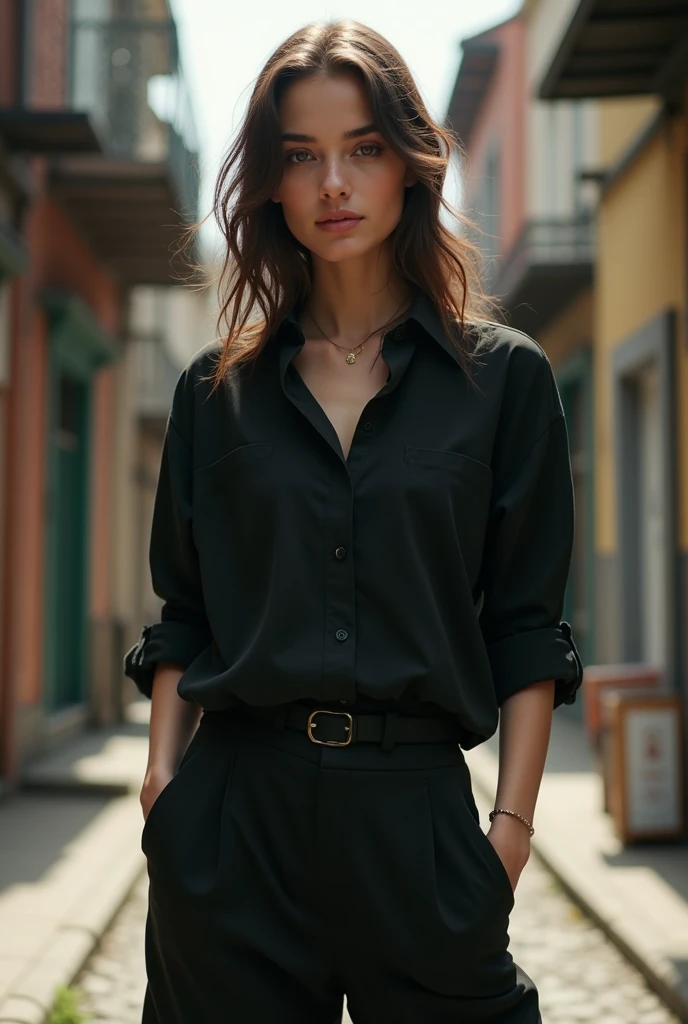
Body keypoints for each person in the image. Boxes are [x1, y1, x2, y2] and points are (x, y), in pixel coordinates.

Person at [124, 18, 583, 1024]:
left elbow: (526, 625)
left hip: (414, 818)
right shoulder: (216, 392)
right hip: (236, 820)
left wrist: (507, 831)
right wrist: (165, 785)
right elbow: (185, 606)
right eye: (302, 156)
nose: (333, 183)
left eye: (362, 149)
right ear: (273, 187)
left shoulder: (503, 382)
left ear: (410, 165)